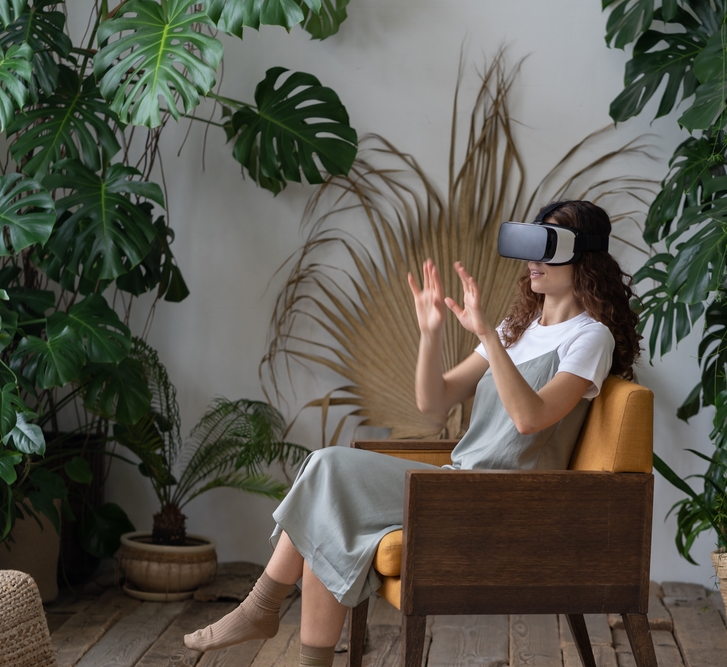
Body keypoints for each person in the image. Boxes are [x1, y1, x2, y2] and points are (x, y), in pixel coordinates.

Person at [183, 200, 642, 667]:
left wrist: (486, 336)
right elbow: (433, 401)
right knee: (329, 503)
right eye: (529, 244)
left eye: (548, 246)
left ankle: (261, 607)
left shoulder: (590, 338)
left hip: (507, 497)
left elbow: (531, 418)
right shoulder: (516, 329)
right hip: (461, 480)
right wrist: (431, 334)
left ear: (585, 257)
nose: (532, 261)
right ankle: (296, 646)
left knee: (327, 467)